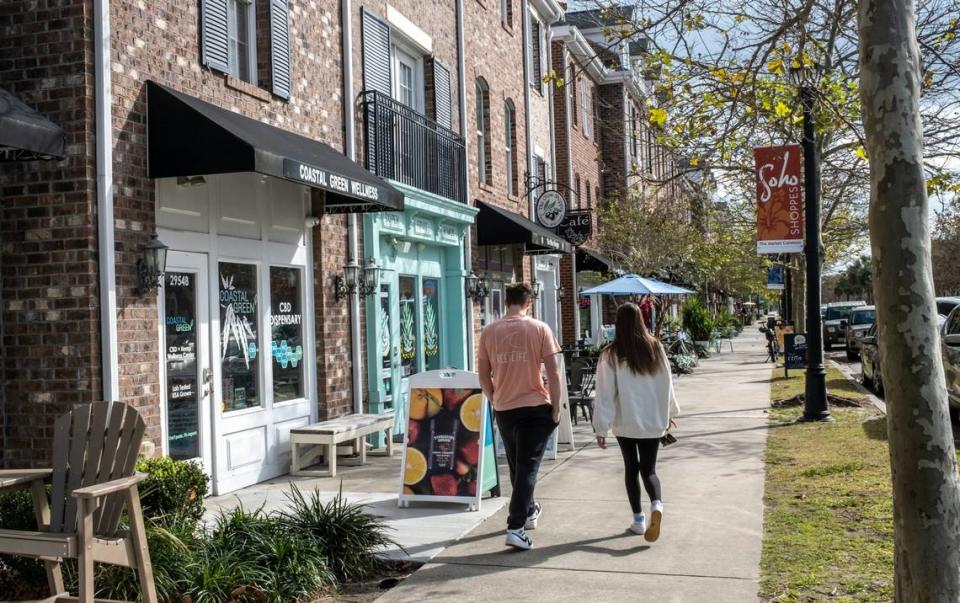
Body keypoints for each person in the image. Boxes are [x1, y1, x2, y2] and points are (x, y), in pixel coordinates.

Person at [478, 282, 563, 550]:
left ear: (507, 302)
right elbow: (554, 372)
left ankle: (527, 512)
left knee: (518, 465)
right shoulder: (539, 329)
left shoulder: (489, 332)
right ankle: (515, 527)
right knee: (527, 466)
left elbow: (483, 375)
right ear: (529, 302)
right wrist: (557, 406)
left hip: (505, 408)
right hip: (535, 406)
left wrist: (494, 398)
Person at [593, 303, 680, 542]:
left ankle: (639, 520)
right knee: (649, 469)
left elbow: (605, 393)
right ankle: (657, 505)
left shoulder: (611, 354)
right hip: (653, 421)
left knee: (631, 468)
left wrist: (601, 427)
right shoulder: (655, 347)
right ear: (641, 320)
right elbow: (667, 383)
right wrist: (669, 412)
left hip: (626, 421)